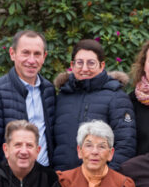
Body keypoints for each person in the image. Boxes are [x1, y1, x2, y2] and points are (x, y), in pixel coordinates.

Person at [0, 29, 56, 174]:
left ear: (44, 57)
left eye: (37, 54)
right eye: (25, 53)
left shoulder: (48, 90)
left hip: (44, 175)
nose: (31, 60)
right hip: (10, 177)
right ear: (12, 54)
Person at [52, 39, 136, 171]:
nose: (85, 68)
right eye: (79, 63)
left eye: (91, 63)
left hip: (99, 178)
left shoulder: (116, 97)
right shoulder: (63, 96)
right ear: (72, 65)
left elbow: (126, 144)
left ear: (102, 66)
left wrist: (107, 177)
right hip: (63, 177)